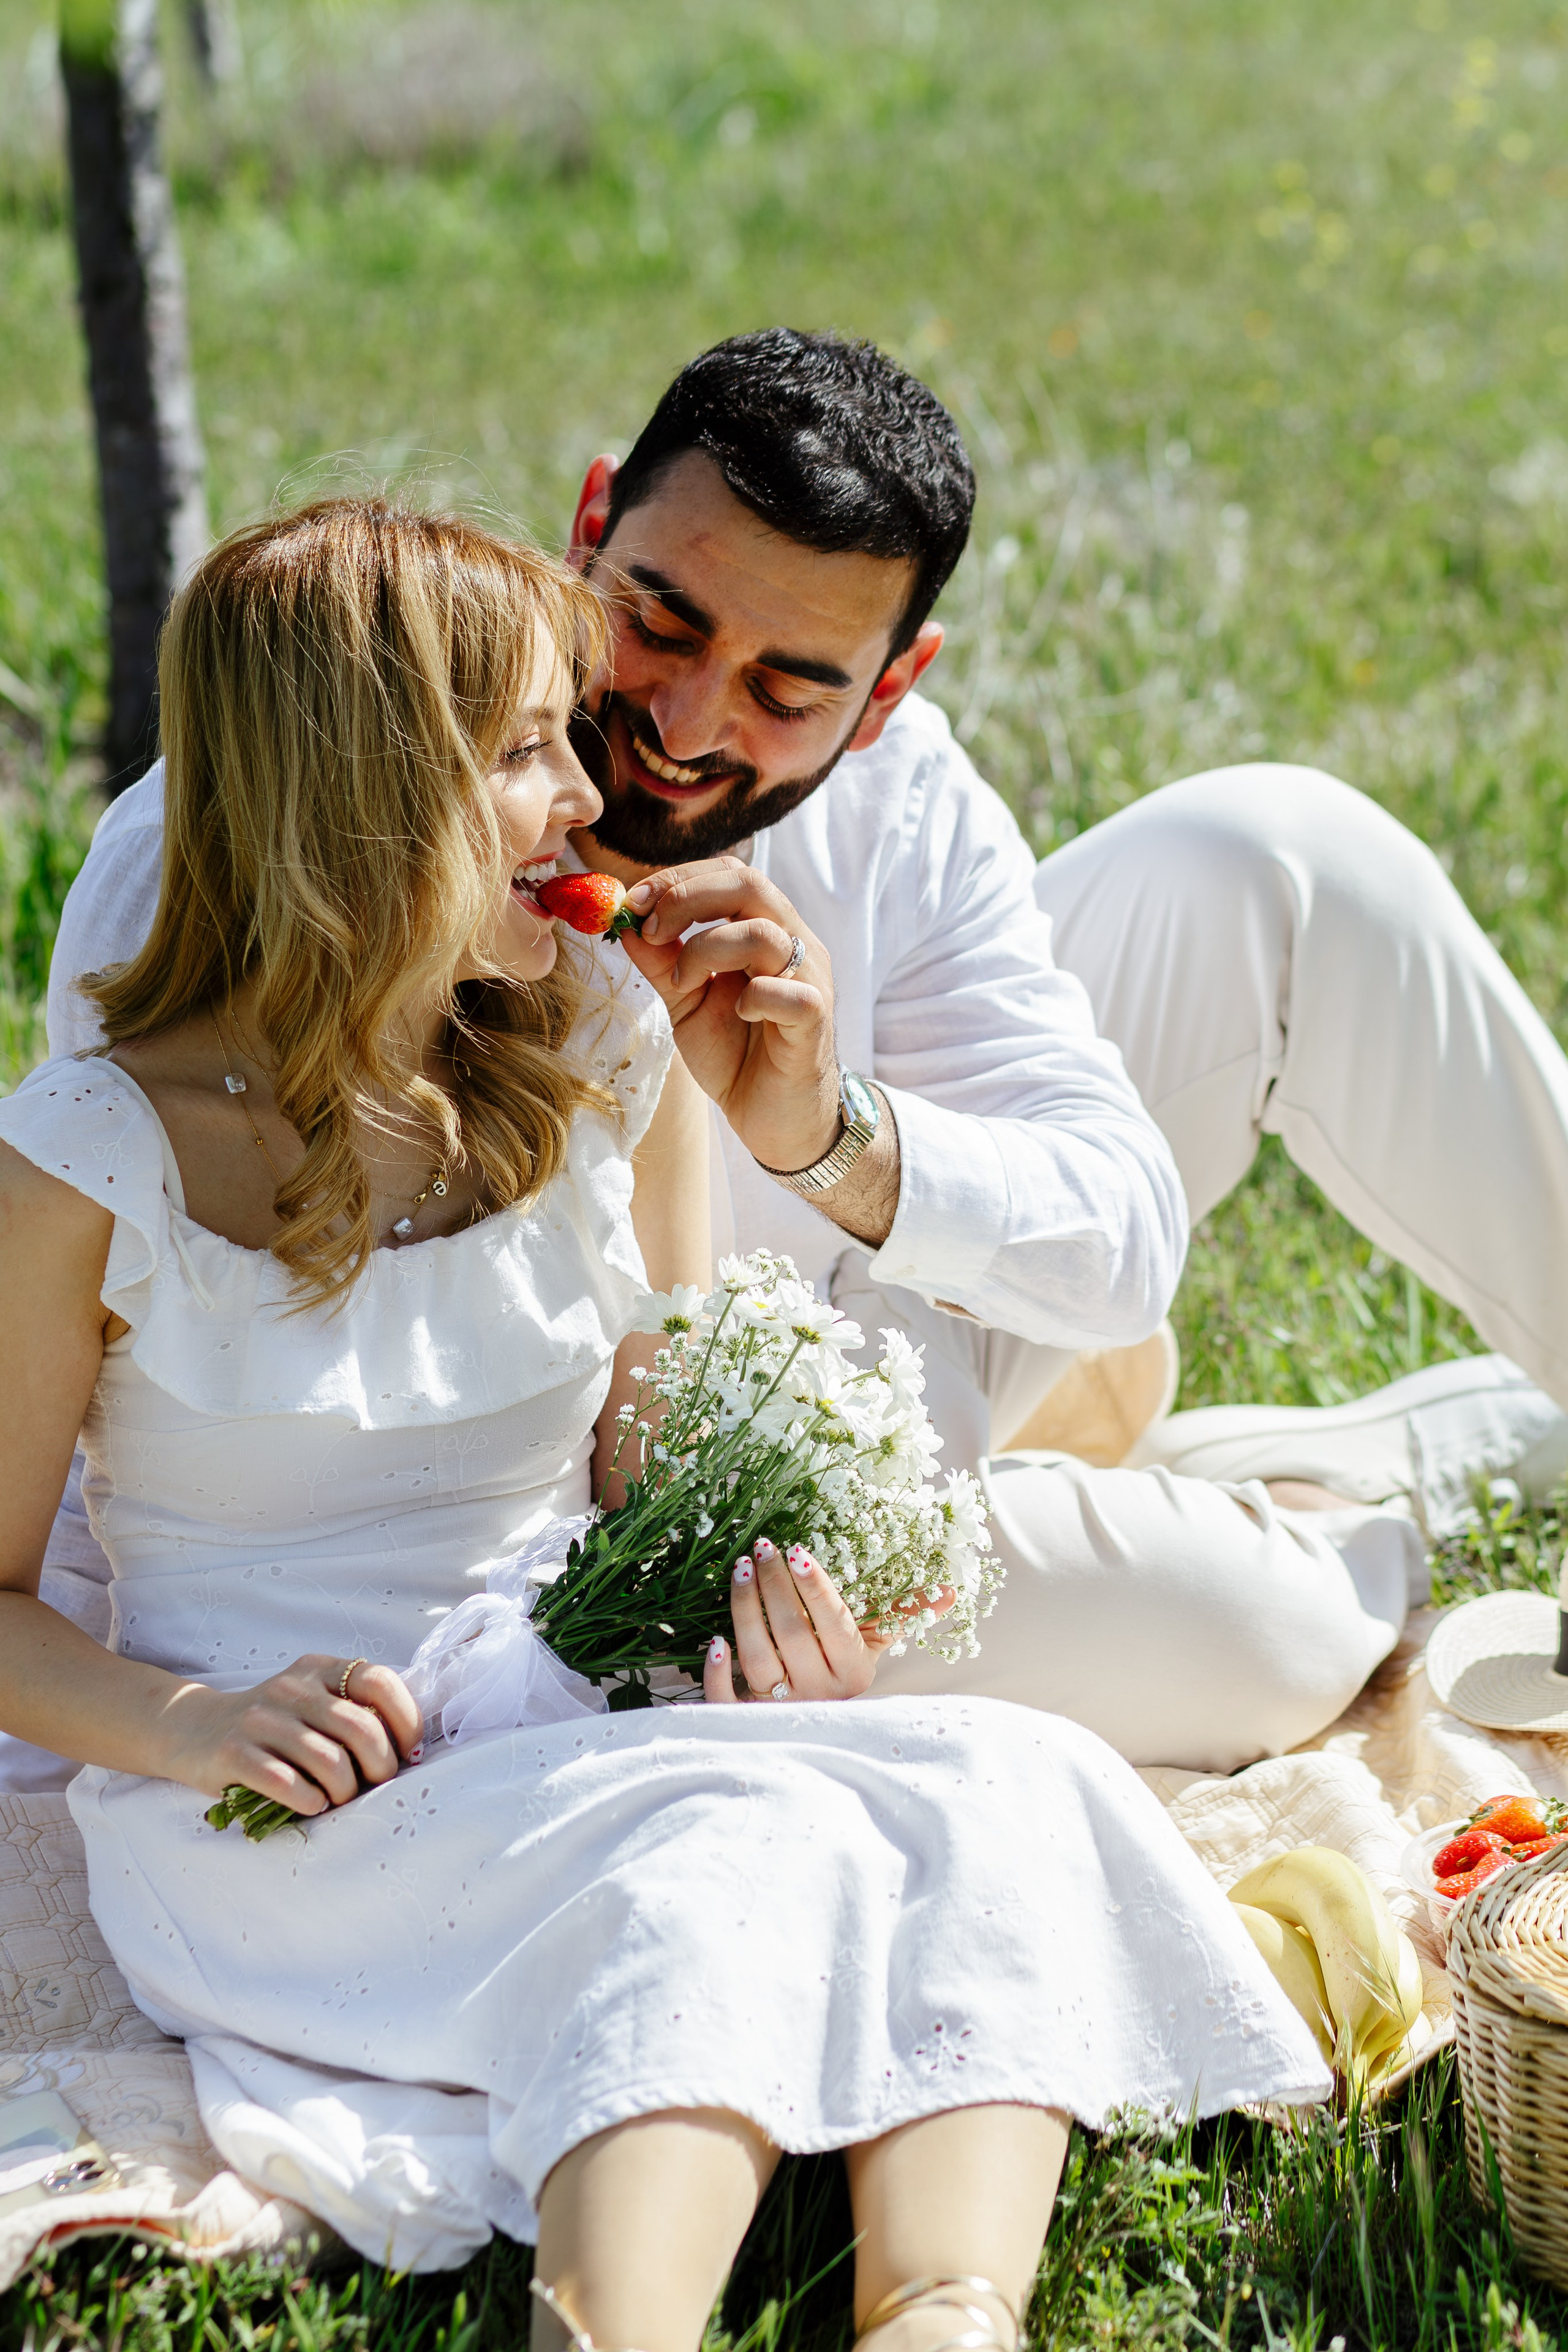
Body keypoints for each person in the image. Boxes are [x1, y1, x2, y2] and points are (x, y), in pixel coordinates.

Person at [0, 499, 1327, 2349]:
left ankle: (946, 2318)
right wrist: (203, 1719)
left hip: (561, 1706)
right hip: (292, 1806)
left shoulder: (605, 1060)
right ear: (369, 796)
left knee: (1005, 1774)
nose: (585, 799)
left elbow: (652, 1468)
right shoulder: (90, 1152)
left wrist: (735, 1614)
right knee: (701, 1867)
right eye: (530, 751)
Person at [40, 331, 1568, 1774]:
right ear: (589, 529)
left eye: (789, 688)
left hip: (836, 1365)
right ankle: (1355, 1489)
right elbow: (139, 1350)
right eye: (660, 623)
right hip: (594, 1550)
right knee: (1269, 1631)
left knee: (1281, 857)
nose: (681, 730)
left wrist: (826, 1135)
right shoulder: (260, 844)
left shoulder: (904, 800)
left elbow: (1117, 1252)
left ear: (888, 691)